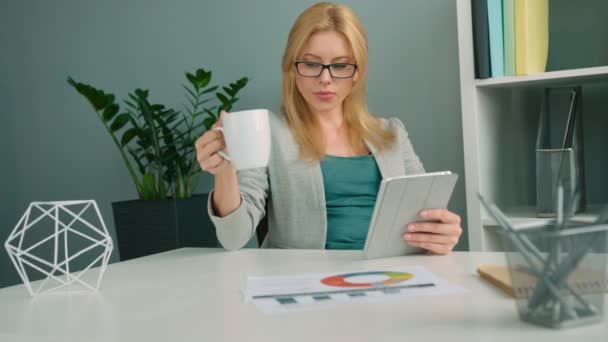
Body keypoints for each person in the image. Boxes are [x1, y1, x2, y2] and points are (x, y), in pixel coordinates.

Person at [195, 2, 462, 254]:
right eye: (311, 64)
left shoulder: (392, 133)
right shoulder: (268, 132)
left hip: (390, 276)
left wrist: (441, 234)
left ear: (357, 71)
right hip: (305, 284)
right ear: (292, 68)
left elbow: (428, 220)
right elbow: (233, 237)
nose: (325, 79)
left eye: (340, 65)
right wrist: (225, 171)